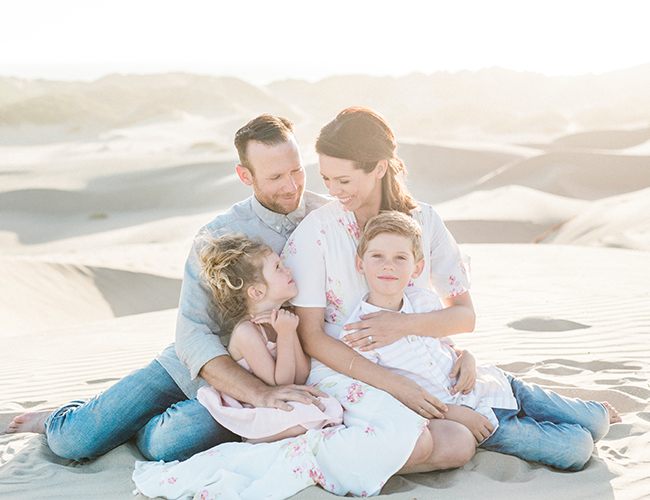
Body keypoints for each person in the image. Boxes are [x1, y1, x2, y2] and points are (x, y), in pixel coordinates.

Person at [4, 114, 330, 462]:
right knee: (74, 442)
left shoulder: (327, 219)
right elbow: (192, 335)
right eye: (275, 177)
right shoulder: (219, 233)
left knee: (169, 443)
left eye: (296, 170)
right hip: (197, 368)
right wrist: (260, 395)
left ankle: (125, 423)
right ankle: (70, 416)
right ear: (245, 176)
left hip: (268, 371)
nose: (291, 186)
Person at [342, 210, 622, 470]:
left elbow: (447, 346)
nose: (388, 266)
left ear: (416, 268)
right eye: (377, 256)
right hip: (481, 420)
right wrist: (453, 414)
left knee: (596, 421)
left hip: (498, 385)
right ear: (360, 263)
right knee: (578, 448)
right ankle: (565, 422)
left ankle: (587, 415)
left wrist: (468, 357)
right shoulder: (359, 333)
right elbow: (389, 398)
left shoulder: (423, 300)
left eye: (400, 258)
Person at [283, 106, 479, 473]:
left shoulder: (426, 221)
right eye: (326, 179)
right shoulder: (316, 232)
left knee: (459, 444)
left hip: (420, 364)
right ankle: (304, 461)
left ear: (379, 167)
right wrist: (395, 386)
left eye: (343, 180)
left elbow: (464, 316)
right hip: (345, 369)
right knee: (422, 440)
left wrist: (404, 327)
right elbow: (311, 337)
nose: (332, 191)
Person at [195, 232, 343, 443]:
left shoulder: (281, 321)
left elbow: (301, 375)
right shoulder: (247, 332)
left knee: (327, 408)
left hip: (280, 396)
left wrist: (288, 331)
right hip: (254, 405)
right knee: (317, 417)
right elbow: (278, 384)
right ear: (256, 293)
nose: (288, 269)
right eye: (277, 268)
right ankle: (253, 438)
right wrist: (285, 334)